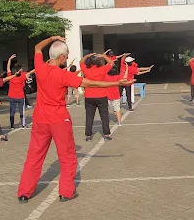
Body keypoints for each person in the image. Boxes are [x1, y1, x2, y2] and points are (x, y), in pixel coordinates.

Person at [17, 36, 131, 203]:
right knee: (67, 157)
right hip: (59, 120)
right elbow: (91, 83)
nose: (67, 58)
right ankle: (66, 192)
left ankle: (24, 193)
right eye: (66, 55)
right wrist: (116, 83)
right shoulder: (63, 75)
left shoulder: (40, 67)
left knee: (34, 156)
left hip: (40, 119)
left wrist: (53, 38)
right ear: (61, 57)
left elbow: (37, 47)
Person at [80, 52, 114, 142]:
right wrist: (103, 56)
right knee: (104, 116)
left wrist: (87, 56)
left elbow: (81, 62)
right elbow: (111, 63)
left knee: (89, 116)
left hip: (89, 96)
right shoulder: (102, 69)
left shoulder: (86, 70)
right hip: (101, 95)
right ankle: (106, 134)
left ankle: (88, 135)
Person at [6, 54, 35, 129]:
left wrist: (10, 59)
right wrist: (41, 66)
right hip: (20, 97)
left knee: (12, 111)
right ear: (19, 71)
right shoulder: (22, 76)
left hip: (11, 96)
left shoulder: (10, 76)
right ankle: (23, 124)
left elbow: (8, 67)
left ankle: (12, 125)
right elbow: (31, 72)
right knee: (22, 111)